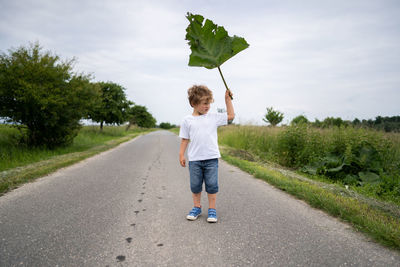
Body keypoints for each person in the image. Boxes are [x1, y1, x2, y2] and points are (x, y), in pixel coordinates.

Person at [179, 85, 235, 223]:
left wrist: (227, 100)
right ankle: (196, 207)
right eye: (205, 103)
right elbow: (185, 139)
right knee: (195, 185)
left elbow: (231, 116)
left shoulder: (213, 117)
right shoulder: (187, 120)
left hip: (211, 159)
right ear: (193, 103)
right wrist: (181, 154)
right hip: (195, 160)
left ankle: (212, 210)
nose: (208, 106)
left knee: (212, 185)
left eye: (209, 103)